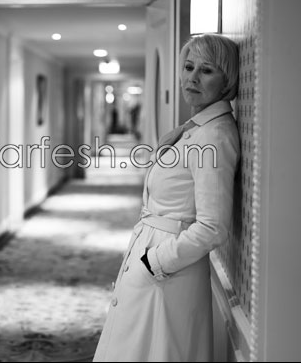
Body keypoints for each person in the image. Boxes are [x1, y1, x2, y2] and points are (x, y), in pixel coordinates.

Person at [93, 34, 241, 362]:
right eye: (189, 67)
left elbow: (213, 227)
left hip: (168, 269)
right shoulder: (196, 129)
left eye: (206, 70)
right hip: (157, 259)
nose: (192, 78)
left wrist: (155, 262)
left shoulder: (214, 136)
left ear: (227, 80)